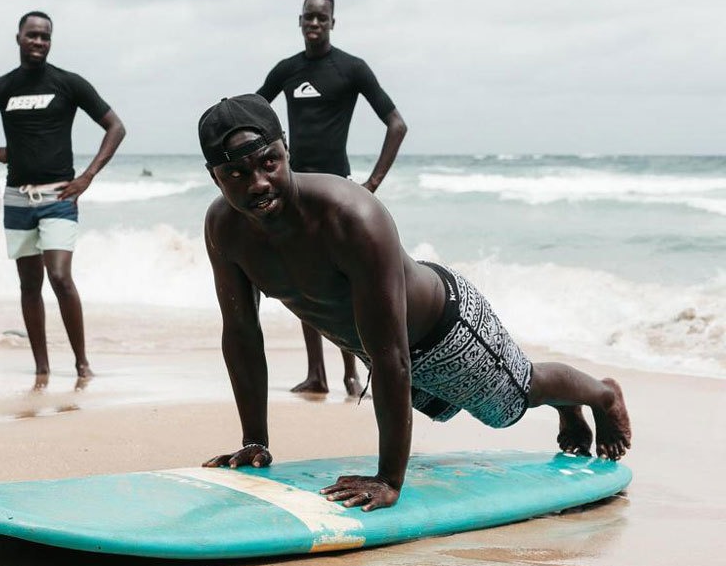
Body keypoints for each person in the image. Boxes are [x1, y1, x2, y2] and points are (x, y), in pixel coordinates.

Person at [198, 94, 631, 511]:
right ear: (213, 175)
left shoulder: (350, 217)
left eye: (268, 162)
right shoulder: (224, 229)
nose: (257, 183)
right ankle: (567, 405)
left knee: (512, 402)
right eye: (235, 173)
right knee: (465, 404)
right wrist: (255, 441)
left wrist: (389, 479)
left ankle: (601, 395)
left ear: (286, 151)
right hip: (376, 346)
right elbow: (241, 333)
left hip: (443, 327)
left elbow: (392, 355)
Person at [0, 11, 126, 378]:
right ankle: (41, 368)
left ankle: (81, 363)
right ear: (18, 38)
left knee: (59, 277)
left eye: (45, 37)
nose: (39, 42)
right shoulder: (3, 87)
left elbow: (115, 127)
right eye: (32, 35)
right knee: (29, 284)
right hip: (16, 199)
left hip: (59, 198)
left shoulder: (68, 83)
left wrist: (87, 177)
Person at [256, 0, 408, 397]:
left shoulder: (351, 69)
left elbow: (396, 124)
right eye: (309, 17)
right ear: (300, 21)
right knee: (301, 279)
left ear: (333, 23)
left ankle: (350, 372)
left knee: (344, 281)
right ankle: (316, 374)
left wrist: (372, 184)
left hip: (337, 190)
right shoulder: (287, 70)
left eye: (322, 18)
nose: (315, 24)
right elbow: (255, 111)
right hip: (294, 190)